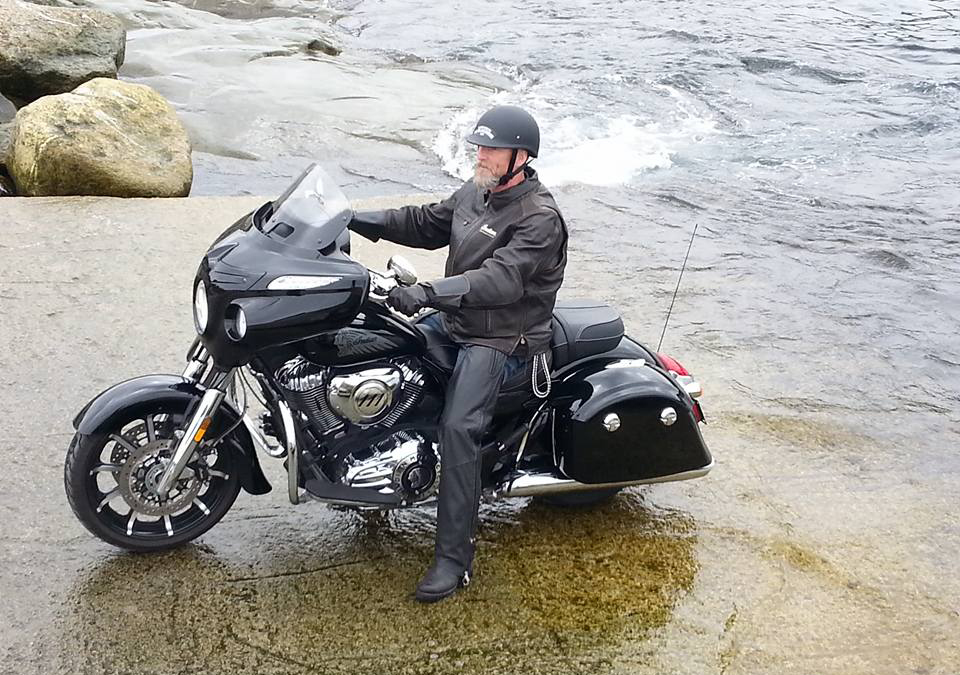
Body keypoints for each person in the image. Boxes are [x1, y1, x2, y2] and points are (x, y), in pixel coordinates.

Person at [348, 105, 568, 602]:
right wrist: (354, 217)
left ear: (521, 155)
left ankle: (454, 559)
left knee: (458, 428)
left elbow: (501, 279)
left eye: (490, 148)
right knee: (376, 348)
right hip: (458, 320)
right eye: (479, 146)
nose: (480, 154)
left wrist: (428, 292)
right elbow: (426, 222)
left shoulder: (540, 219)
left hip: (502, 339)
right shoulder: (478, 191)